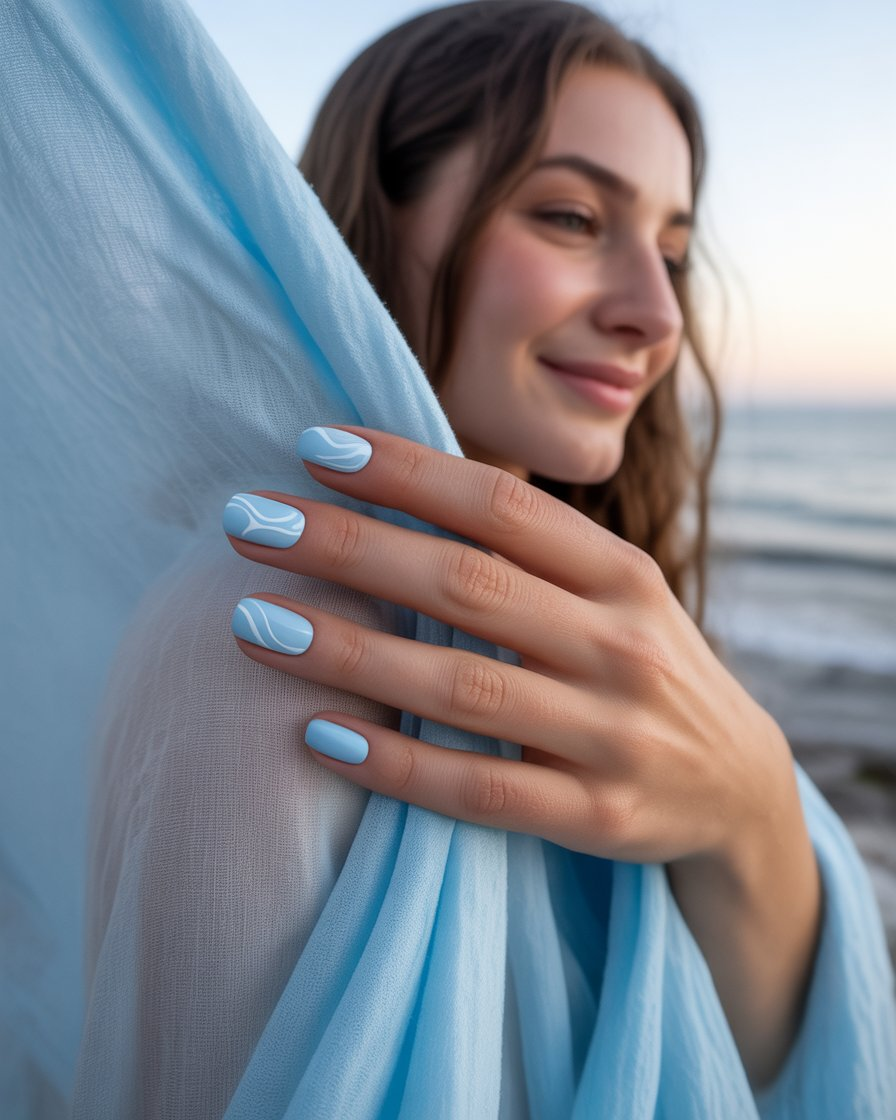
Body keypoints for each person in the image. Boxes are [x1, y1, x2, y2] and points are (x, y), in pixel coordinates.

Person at [3, 0, 889, 1116]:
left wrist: (751, 809)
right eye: (570, 216)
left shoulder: (618, 645)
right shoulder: (269, 633)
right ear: (370, 224)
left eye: (673, 250)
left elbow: (768, 1063)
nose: (655, 313)